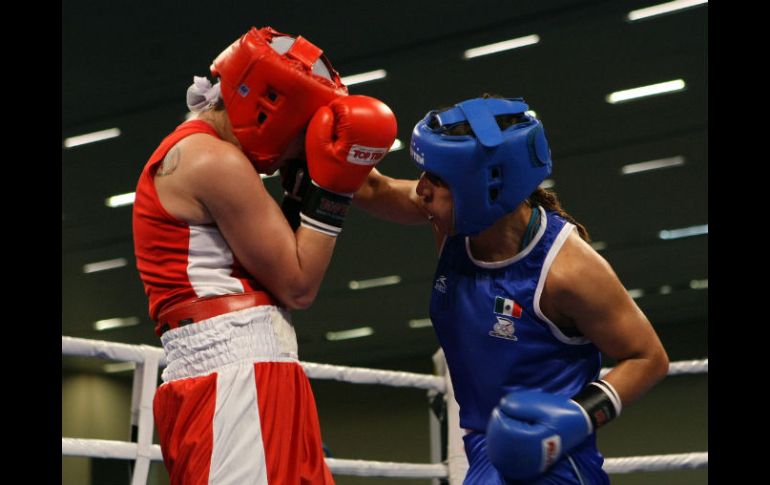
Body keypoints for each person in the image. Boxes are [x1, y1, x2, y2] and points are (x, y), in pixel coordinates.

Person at [353, 95, 669, 484]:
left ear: (484, 186)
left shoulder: (568, 269)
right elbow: (372, 188)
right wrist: (317, 136)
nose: (421, 190)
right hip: (485, 458)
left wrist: (581, 415)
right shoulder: (451, 222)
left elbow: (649, 357)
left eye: (437, 179)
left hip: (554, 464)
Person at [132, 26, 397, 485]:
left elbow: (377, 189)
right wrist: (328, 193)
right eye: (302, 129)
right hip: (236, 379)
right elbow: (298, 284)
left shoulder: (202, 151)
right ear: (270, 108)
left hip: (237, 372)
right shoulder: (212, 160)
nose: (303, 144)